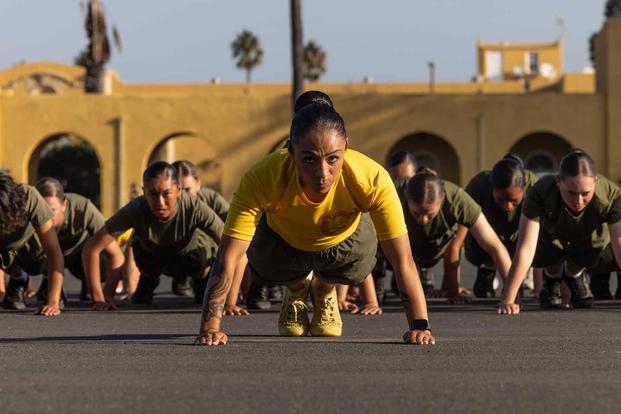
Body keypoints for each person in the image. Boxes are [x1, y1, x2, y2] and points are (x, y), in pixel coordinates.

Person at [197, 95, 434, 346]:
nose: (322, 173)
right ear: (290, 152)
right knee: (259, 257)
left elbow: (403, 259)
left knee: (364, 251)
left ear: (346, 148)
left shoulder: (372, 178)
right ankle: (297, 288)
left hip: (345, 244)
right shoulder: (262, 179)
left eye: (333, 158)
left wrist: (420, 325)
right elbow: (228, 257)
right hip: (283, 244)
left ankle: (324, 288)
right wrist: (210, 328)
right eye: (309, 159)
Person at [83, 161, 224, 309]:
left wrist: (229, 298)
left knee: (206, 248)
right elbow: (91, 248)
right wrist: (101, 298)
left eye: (166, 194)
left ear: (179, 190)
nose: (160, 202)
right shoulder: (136, 208)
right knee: (137, 244)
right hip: (153, 258)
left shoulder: (194, 207)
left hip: (190, 257)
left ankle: (201, 279)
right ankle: (147, 281)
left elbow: (231, 244)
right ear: (144, 192)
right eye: (153, 194)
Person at [500, 150, 621, 314]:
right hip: (550, 245)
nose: (578, 201)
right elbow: (526, 248)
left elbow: (619, 243)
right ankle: (552, 276)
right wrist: (508, 299)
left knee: (611, 251)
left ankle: (574, 273)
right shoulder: (539, 193)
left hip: (589, 247)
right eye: (571, 193)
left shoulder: (611, 196)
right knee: (531, 247)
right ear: (558, 181)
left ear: (595, 182)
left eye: (585, 194)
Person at [399, 169, 512, 303]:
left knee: (455, 242)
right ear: (407, 198)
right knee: (403, 289)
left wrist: (512, 296)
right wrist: (371, 301)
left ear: (442, 198)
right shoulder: (394, 196)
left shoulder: (457, 199)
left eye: (429, 214)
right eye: (417, 213)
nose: (423, 220)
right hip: (400, 246)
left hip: (439, 244)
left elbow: (495, 246)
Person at [172, 159, 248, 315]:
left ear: (198, 184)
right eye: (178, 190)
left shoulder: (208, 201)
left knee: (241, 244)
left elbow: (237, 239)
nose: (183, 195)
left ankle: (258, 287)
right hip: (174, 254)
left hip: (205, 255)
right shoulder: (164, 204)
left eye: (187, 189)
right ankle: (151, 282)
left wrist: (232, 300)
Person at [459, 155, 539, 298]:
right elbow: (458, 237)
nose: (507, 206)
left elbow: (546, 235)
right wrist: (452, 287)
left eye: (513, 201)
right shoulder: (478, 187)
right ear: (492, 187)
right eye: (501, 200)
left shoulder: (536, 187)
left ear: (524, 186)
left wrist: (539, 288)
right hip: (486, 239)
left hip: (520, 238)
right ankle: (487, 268)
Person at [35, 178, 125, 303]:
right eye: (41, 210)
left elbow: (116, 255)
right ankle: (48, 282)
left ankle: (90, 284)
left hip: (78, 257)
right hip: (45, 258)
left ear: (64, 205)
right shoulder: (30, 212)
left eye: (52, 210)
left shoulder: (83, 208)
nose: (46, 216)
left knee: (101, 247)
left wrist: (105, 296)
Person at [0, 171, 64, 315]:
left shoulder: (30, 197)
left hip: (34, 249)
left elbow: (54, 252)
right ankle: (19, 278)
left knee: (45, 252)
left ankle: (51, 284)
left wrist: (53, 302)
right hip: (5, 250)